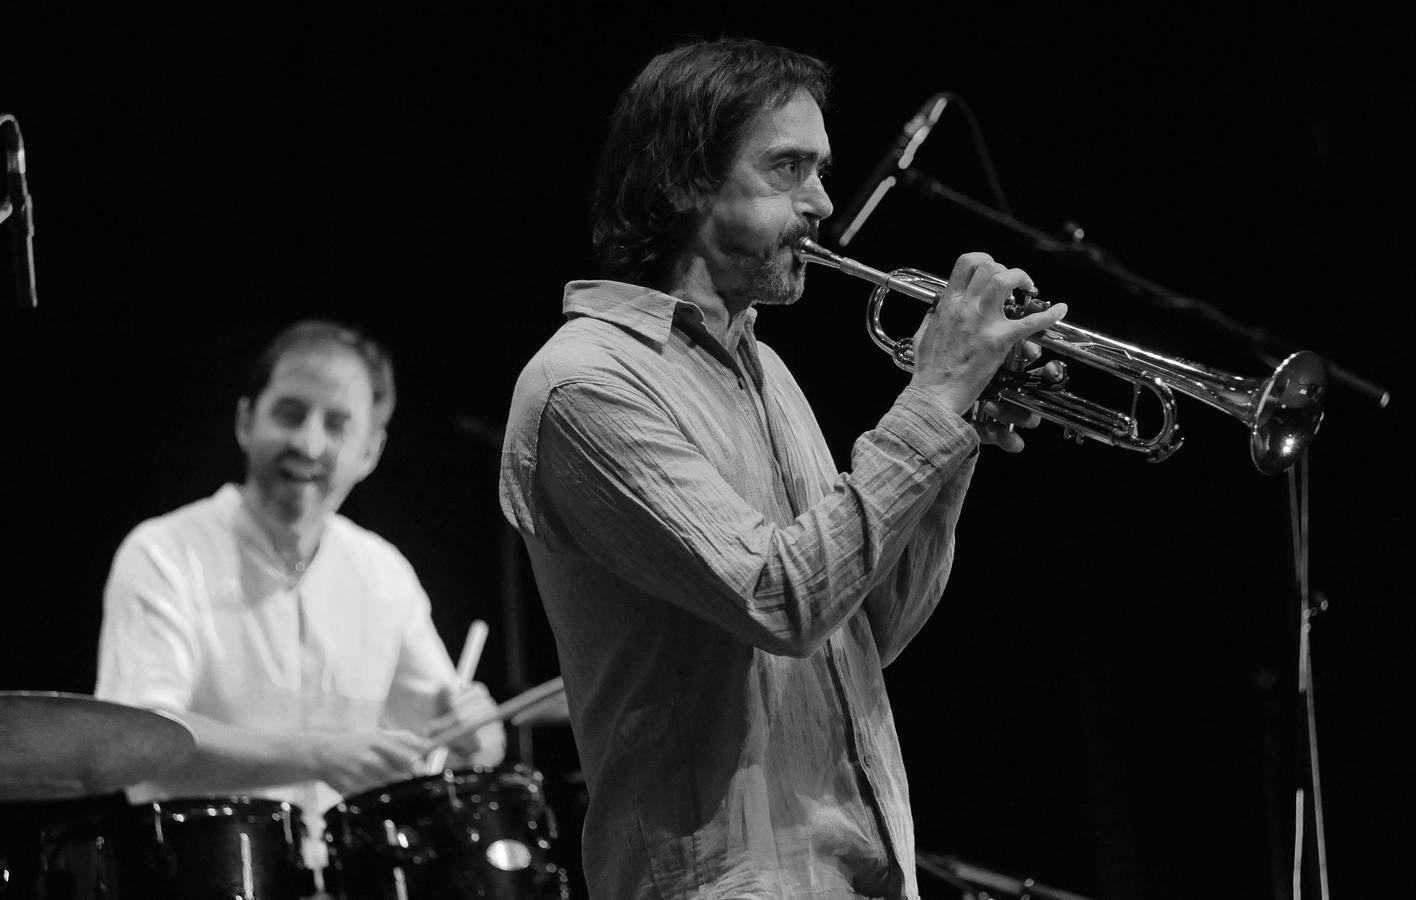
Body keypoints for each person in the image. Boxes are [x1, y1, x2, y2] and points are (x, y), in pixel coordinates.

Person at [498, 37, 1067, 900]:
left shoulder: (769, 373)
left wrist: (960, 433)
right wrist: (933, 400)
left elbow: (867, 625)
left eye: (823, 169)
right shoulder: (586, 384)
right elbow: (783, 599)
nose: (824, 203)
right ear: (684, 178)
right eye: (789, 168)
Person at [95, 319, 505, 869]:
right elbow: (137, 739)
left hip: (355, 872)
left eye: (337, 424)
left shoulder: (383, 573)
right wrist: (319, 755)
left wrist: (476, 735)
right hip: (200, 873)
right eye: (290, 414)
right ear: (245, 421)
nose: (309, 442)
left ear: (370, 451)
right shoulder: (164, 552)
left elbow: (457, 743)